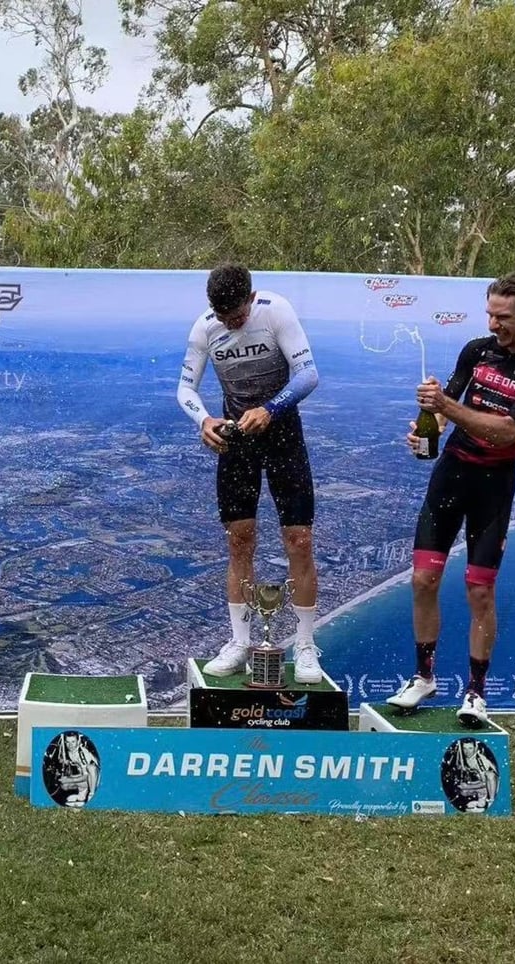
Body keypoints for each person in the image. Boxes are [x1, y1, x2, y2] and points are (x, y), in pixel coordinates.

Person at [387, 272, 515, 726]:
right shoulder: (476, 350)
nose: (492, 324)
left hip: (494, 485)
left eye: (502, 317)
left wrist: (448, 409)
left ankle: (476, 691)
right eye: (489, 313)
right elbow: (443, 409)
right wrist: (424, 426)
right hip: (451, 474)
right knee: (423, 581)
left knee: (480, 591)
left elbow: (508, 430)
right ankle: (423, 676)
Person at [177, 263, 322, 681]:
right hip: (236, 437)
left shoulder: (276, 311)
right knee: (239, 540)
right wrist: (204, 420)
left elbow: (309, 374)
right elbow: (185, 388)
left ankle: (307, 643)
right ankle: (241, 640)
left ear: (251, 297)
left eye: (237, 315)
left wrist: (272, 408)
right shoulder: (205, 329)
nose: (232, 323)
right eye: (224, 318)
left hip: (281, 432)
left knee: (299, 538)